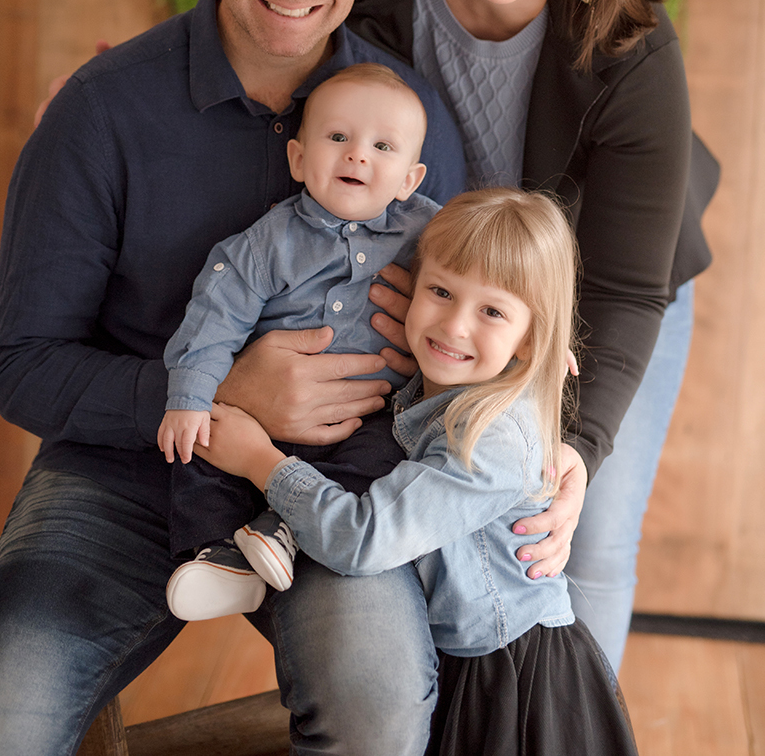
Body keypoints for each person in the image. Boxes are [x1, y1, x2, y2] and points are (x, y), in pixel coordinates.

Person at [0, 0, 467, 756]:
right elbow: (23, 364)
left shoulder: (409, 124)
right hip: (118, 476)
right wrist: (222, 395)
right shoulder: (102, 113)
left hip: (326, 484)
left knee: (376, 702)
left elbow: (477, 310)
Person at [349, 0, 720, 672]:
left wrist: (577, 447)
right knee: (427, 514)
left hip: (604, 296)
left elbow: (629, 288)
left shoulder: (633, 47)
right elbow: (263, 19)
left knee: (568, 538)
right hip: (450, 288)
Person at [197, 188, 639, 756]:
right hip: (460, 654)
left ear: (530, 337)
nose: (454, 326)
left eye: (492, 311)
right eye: (440, 291)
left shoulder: (492, 440)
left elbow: (365, 537)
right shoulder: (430, 391)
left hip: (508, 682)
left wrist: (260, 459)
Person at [158, 63, 437, 618]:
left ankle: (282, 528)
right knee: (202, 446)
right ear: (299, 158)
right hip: (263, 419)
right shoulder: (268, 243)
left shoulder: (433, 232)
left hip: (370, 419)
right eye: (338, 137)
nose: (358, 154)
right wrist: (188, 396)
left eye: (383, 146)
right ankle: (218, 557)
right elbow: (214, 316)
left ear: (410, 178)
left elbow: (491, 273)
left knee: (393, 455)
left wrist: (532, 333)